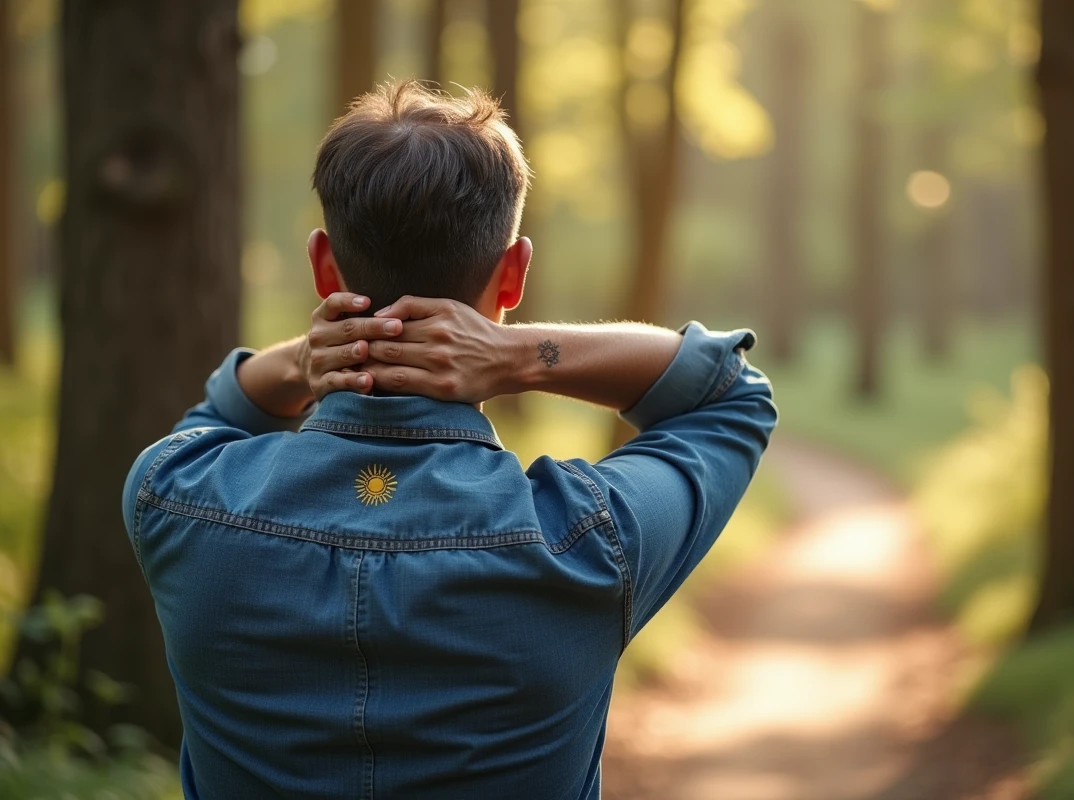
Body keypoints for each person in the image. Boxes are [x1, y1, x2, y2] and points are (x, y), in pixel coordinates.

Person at [122, 81, 776, 799]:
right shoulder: (589, 541)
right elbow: (728, 394)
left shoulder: (174, 498)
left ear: (323, 267)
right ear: (515, 272)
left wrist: (306, 361)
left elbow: (223, 409)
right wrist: (516, 355)